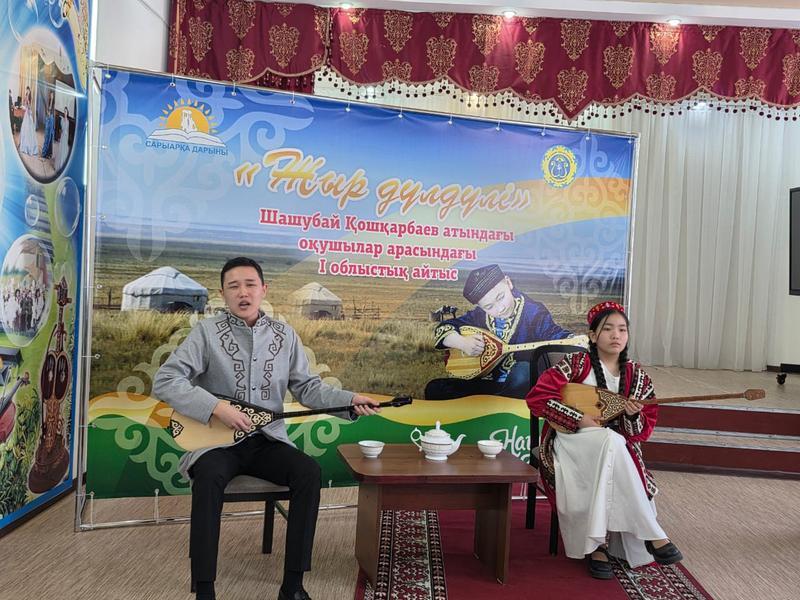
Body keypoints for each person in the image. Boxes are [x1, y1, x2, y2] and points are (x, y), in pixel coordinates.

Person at [153, 257, 380, 600]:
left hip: (267, 440)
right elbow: (166, 380)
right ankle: (205, 588)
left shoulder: (284, 335)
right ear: (222, 294)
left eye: (250, 285)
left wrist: (350, 400)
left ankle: (293, 585)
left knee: (308, 472)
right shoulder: (206, 333)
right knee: (209, 476)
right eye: (233, 286)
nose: (242, 293)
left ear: (263, 290)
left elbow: (308, 388)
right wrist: (216, 407)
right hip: (217, 443)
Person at [525, 301, 682, 579]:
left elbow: (640, 433)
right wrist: (579, 419)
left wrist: (632, 414)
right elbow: (538, 398)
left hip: (614, 447)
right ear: (593, 335)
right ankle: (652, 534)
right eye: (608, 329)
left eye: (622, 329)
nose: (616, 335)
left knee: (613, 441)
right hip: (571, 441)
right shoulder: (576, 364)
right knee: (611, 441)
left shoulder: (637, 377)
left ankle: (597, 546)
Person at [424, 264, 572, 399]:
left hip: (519, 385)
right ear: (481, 307)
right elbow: (443, 328)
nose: (500, 308)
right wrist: (462, 343)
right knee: (435, 387)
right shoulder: (479, 316)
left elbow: (552, 333)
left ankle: (495, 404)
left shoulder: (533, 312)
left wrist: (572, 340)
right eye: (489, 307)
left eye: (501, 297)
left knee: (523, 372)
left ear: (508, 283)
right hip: (487, 382)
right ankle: (493, 402)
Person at [18, 87, 38, 156]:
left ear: (29, 91)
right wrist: (24, 100)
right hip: (26, 113)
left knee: (28, 129)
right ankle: (23, 145)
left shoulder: (30, 98)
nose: (27, 91)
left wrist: (28, 101)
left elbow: (29, 107)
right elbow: (24, 104)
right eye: (26, 90)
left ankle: (28, 147)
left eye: (28, 90)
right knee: (24, 128)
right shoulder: (26, 96)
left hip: (29, 113)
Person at [41, 91, 55, 159]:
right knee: (47, 136)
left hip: (51, 118)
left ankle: (49, 153)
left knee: (50, 136)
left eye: (52, 95)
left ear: (53, 96)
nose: (51, 96)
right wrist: (47, 112)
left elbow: (51, 110)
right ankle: (45, 153)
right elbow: (48, 109)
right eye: (50, 95)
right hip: (48, 118)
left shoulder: (53, 102)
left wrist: (50, 113)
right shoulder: (49, 101)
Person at [55, 106, 70, 171]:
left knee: (65, 148)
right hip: (63, 135)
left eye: (66, 111)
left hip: (66, 136)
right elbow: (62, 129)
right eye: (64, 111)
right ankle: (59, 165)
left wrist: (67, 136)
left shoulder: (68, 121)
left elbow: (67, 130)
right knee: (61, 148)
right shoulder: (62, 120)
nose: (65, 112)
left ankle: (63, 164)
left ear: (67, 113)